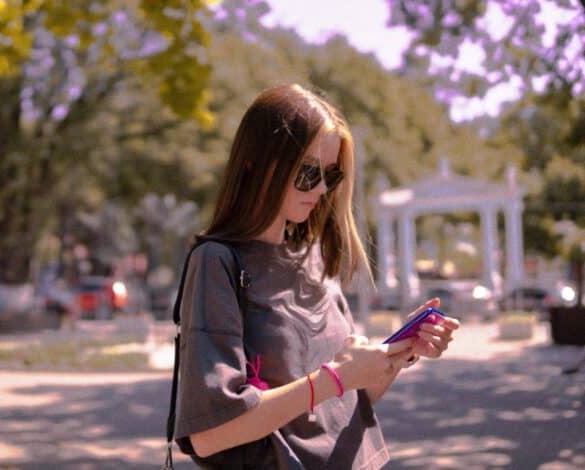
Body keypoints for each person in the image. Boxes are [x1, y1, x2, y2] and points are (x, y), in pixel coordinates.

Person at [173, 84, 460, 469]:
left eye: (331, 174)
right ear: (256, 164)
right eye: (308, 172)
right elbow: (208, 436)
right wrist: (336, 378)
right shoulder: (217, 262)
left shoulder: (315, 259)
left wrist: (396, 354)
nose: (323, 188)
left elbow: (339, 407)